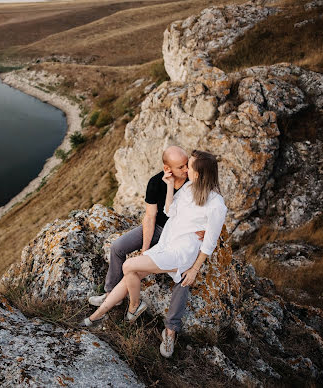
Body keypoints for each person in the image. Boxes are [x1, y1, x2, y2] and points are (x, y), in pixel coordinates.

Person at [82, 150, 228, 359]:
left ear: (200, 174)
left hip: (183, 251)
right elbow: (168, 212)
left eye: (190, 167)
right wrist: (169, 186)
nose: (187, 170)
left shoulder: (216, 204)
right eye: (185, 167)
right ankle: (95, 317)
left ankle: (156, 321)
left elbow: (210, 241)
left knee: (130, 267)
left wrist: (195, 269)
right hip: (167, 243)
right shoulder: (187, 188)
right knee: (133, 272)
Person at [88, 146, 200, 338]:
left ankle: (171, 328)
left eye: (186, 164)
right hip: (157, 229)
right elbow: (149, 217)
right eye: (181, 167)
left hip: (178, 235)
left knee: (183, 275)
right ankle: (111, 294)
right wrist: (145, 249)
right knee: (117, 247)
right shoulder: (156, 183)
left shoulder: (194, 180)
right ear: (167, 168)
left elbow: (208, 207)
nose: (186, 169)